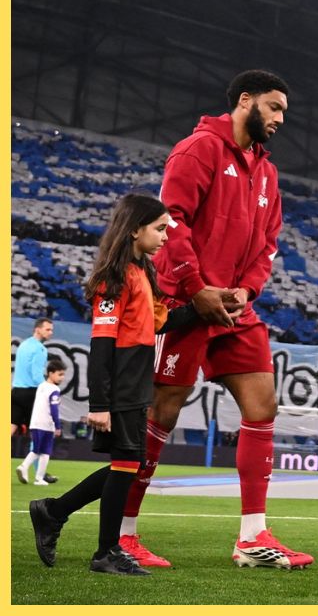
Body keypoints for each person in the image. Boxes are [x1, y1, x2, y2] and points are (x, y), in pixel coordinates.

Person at [117, 70, 313, 570]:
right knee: (162, 411)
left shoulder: (267, 172)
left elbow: (267, 244)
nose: (279, 119)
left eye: (284, 111)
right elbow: (170, 221)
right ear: (244, 101)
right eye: (273, 107)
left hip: (235, 307)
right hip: (184, 303)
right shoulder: (198, 148)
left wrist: (246, 290)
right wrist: (197, 287)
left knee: (262, 405)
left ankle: (252, 536)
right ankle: (123, 532)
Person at [29, 193, 196, 575]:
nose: (166, 236)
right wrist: (98, 403)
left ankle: (53, 512)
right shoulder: (113, 279)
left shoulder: (143, 273)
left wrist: (203, 312)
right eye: (160, 228)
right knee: (127, 464)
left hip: (138, 380)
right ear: (135, 229)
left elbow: (160, 323)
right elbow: (100, 346)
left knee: (128, 464)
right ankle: (104, 551)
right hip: (121, 382)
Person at [16, 357, 66, 486]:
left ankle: (34, 475)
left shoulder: (41, 386)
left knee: (40, 450)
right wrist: (57, 425)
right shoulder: (54, 390)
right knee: (43, 451)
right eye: (60, 374)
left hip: (35, 423)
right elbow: (54, 409)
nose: (62, 378)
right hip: (46, 425)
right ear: (51, 373)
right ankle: (29, 471)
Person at [12, 318, 53, 438]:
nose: (51, 332)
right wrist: (48, 389)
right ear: (37, 330)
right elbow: (36, 376)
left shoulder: (23, 344)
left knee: (11, 425)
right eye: (48, 329)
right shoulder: (40, 349)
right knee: (38, 428)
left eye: (51, 330)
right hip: (31, 393)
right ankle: (36, 456)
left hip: (16, 392)